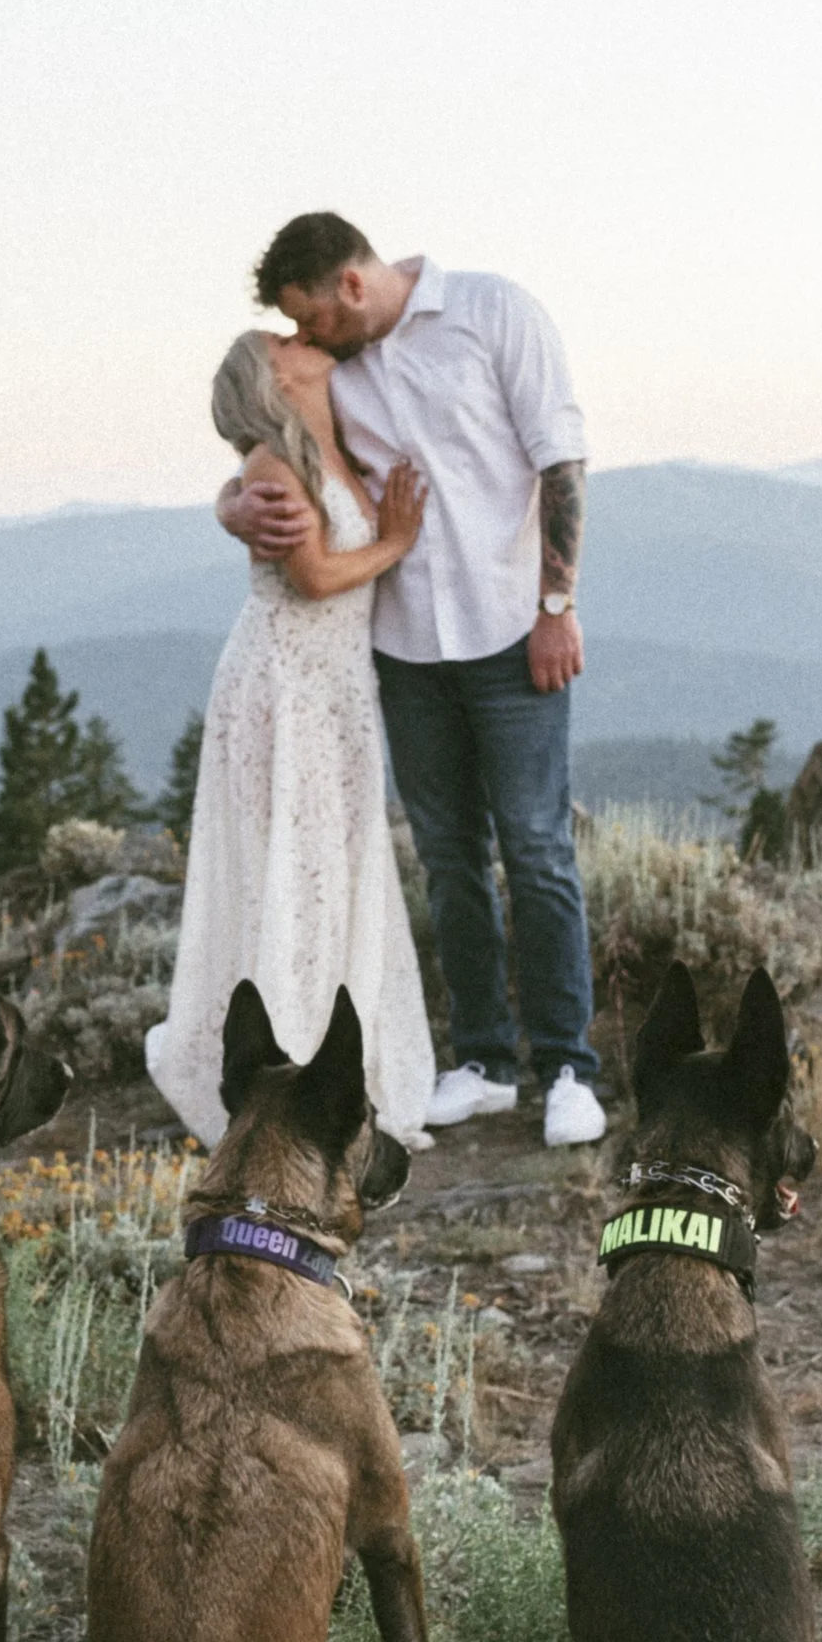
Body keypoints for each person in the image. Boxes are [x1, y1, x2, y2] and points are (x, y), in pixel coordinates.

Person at [221, 210, 606, 1149]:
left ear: (351, 286)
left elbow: (562, 459)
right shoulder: (337, 368)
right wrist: (232, 503)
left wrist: (558, 605)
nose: (306, 342)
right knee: (448, 857)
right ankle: (481, 1061)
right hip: (402, 647)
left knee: (537, 849)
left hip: (513, 632)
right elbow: (268, 439)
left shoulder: (492, 313)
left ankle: (567, 1068)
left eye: (312, 320)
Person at [145, 328, 439, 1149]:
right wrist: (394, 544)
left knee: (330, 867)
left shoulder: (329, 445)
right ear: (273, 377)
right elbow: (311, 578)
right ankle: (289, 1065)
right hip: (286, 687)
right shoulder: (275, 464)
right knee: (291, 868)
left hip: (335, 688)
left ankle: (340, 1059)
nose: (302, 340)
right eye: (284, 340)